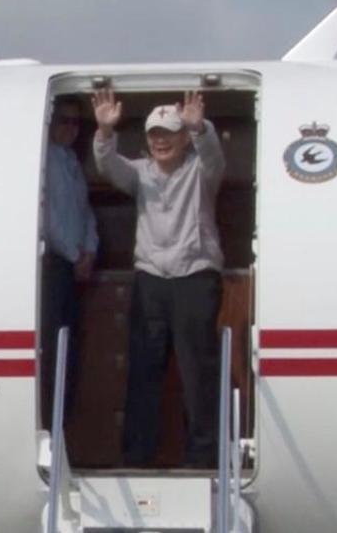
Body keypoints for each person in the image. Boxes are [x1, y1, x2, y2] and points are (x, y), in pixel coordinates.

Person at [91, 88, 225, 467]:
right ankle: (137, 456)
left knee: (197, 373)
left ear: (183, 138)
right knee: (144, 369)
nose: (161, 141)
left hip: (195, 277)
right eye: (154, 134)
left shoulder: (201, 170)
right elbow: (106, 165)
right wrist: (104, 130)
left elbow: (214, 156)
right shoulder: (139, 172)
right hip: (151, 280)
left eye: (169, 133)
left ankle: (203, 458)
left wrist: (202, 128)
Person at [40, 95, 98, 432]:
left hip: (73, 267)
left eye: (77, 123)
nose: (71, 129)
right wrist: (77, 256)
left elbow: (84, 211)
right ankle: (50, 426)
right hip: (54, 265)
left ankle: (64, 427)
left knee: (71, 350)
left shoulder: (71, 162)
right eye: (64, 121)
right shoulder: (44, 160)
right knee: (52, 350)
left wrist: (90, 250)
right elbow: (48, 219)